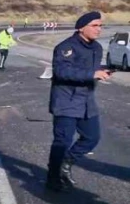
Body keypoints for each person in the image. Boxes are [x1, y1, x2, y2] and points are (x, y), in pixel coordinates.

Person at [45, 11, 111, 191]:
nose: (99, 29)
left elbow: (93, 69)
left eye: (100, 25)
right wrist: (91, 74)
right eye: (95, 25)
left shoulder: (96, 48)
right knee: (62, 142)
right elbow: (62, 72)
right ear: (82, 28)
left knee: (92, 138)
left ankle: (66, 163)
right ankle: (53, 178)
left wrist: (105, 70)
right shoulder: (66, 47)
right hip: (66, 101)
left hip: (87, 102)